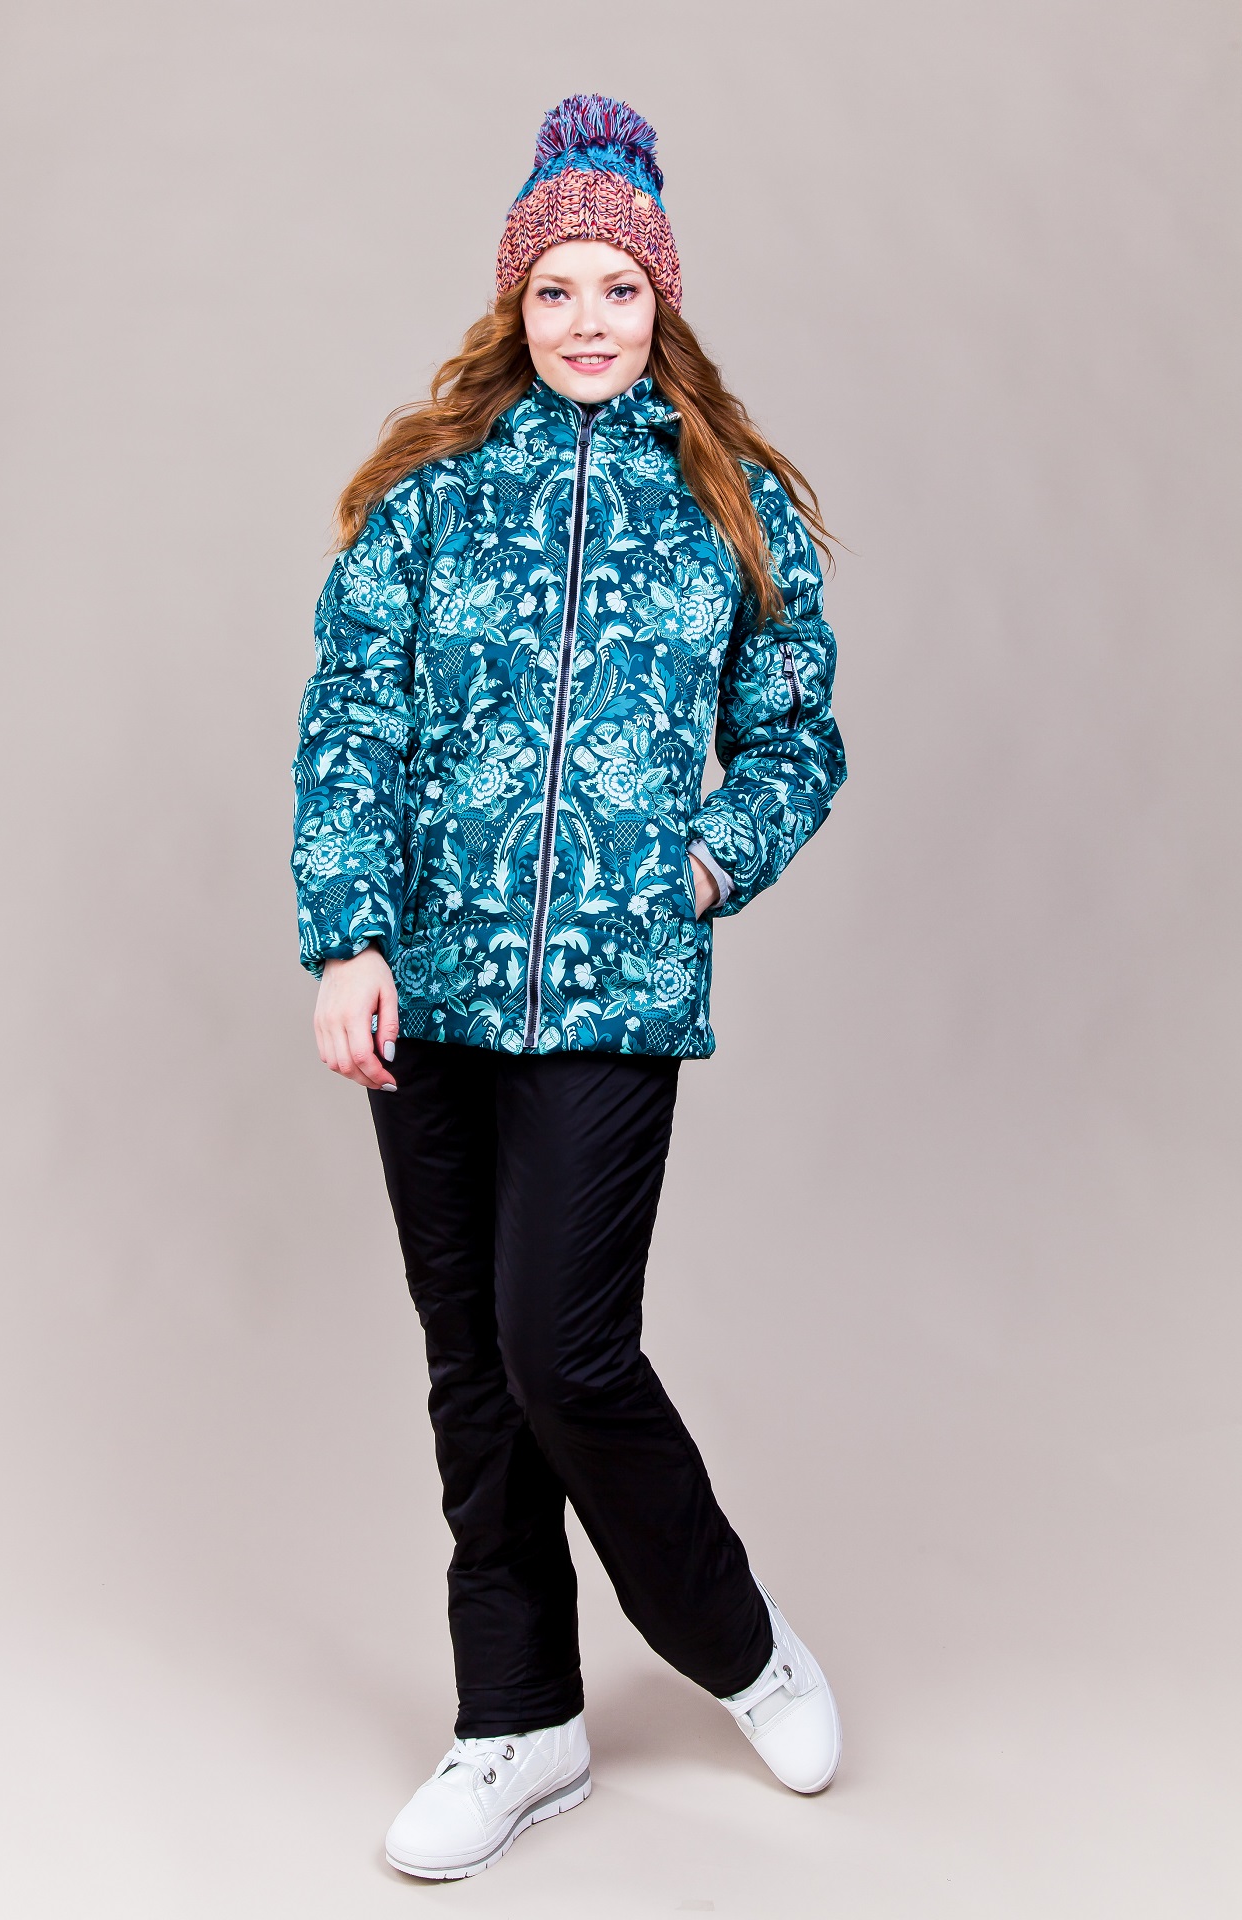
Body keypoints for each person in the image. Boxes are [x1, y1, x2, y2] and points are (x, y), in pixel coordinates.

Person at [291, 94, 848, 1882]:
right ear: (515, 302)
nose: (587, 319)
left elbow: (798, 737)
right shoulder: (432, 491)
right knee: (474, 1367)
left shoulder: (729, 503)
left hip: (616, 993)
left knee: (563, 1349)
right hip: (429, 986)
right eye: (556, 289)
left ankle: (740, 1645)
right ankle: (518, 1722)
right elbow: (353, 718)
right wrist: (348, 936)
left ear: (660, 298)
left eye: (618, 286)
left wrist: (705, 863)